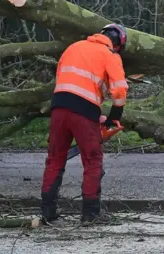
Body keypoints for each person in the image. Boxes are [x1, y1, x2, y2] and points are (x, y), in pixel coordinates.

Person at [40, 24, 129, 225]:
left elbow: (66, 79)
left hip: (59, 107)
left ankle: (47, 211)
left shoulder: (74, 47)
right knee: (92, 160)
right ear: (117, 44)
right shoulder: (110, 55)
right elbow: (119, 90)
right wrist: (116, 113)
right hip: (84, 111)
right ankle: (90, 213)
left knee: (54, 159)